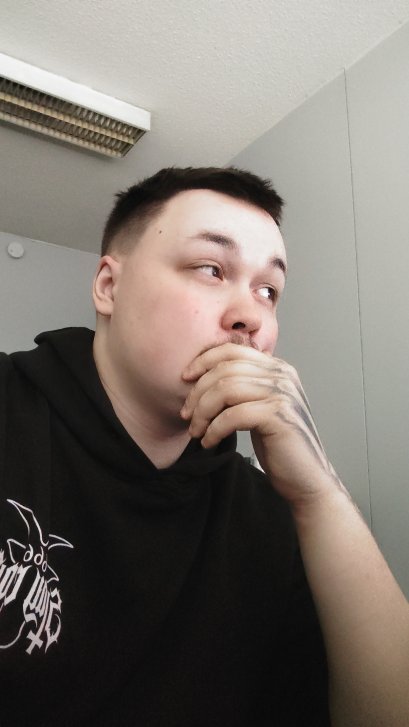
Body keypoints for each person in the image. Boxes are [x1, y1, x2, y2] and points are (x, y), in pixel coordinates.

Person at [0, 167, 407, 727]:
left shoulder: (271, 516)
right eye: (211, 269)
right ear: (109, 287)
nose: (251, 317)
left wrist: (320, 496)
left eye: (268, 291)